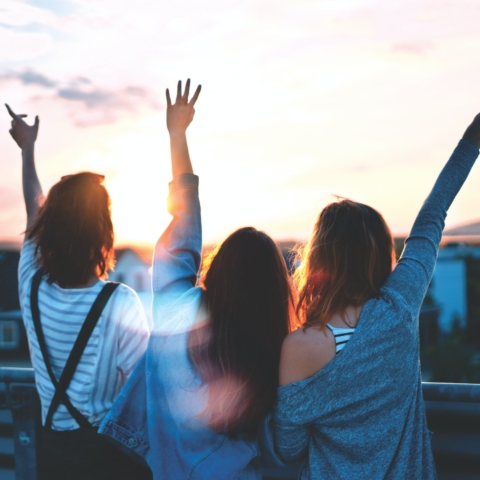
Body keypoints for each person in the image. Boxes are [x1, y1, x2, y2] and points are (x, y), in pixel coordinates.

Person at [99, 80, 294, 479]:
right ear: (273, 290)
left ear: (218, 269)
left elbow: (184, 225)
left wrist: (176, 135)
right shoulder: (273, 350)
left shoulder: (177, 312)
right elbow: (282, 448)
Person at [272, 114, 480, 479]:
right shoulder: (399, 307)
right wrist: (471, 142)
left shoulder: (299, 348)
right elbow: (433, 216)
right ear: (381, 254)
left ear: (319, 257)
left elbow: (288, 450)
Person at [5, 104, 152, 480]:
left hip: (50, 453)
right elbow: (143, 391)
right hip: (107, 458)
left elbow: (33, 213)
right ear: (103, 234)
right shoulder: (119, 302)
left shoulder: (30, 283)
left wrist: (27, 151)